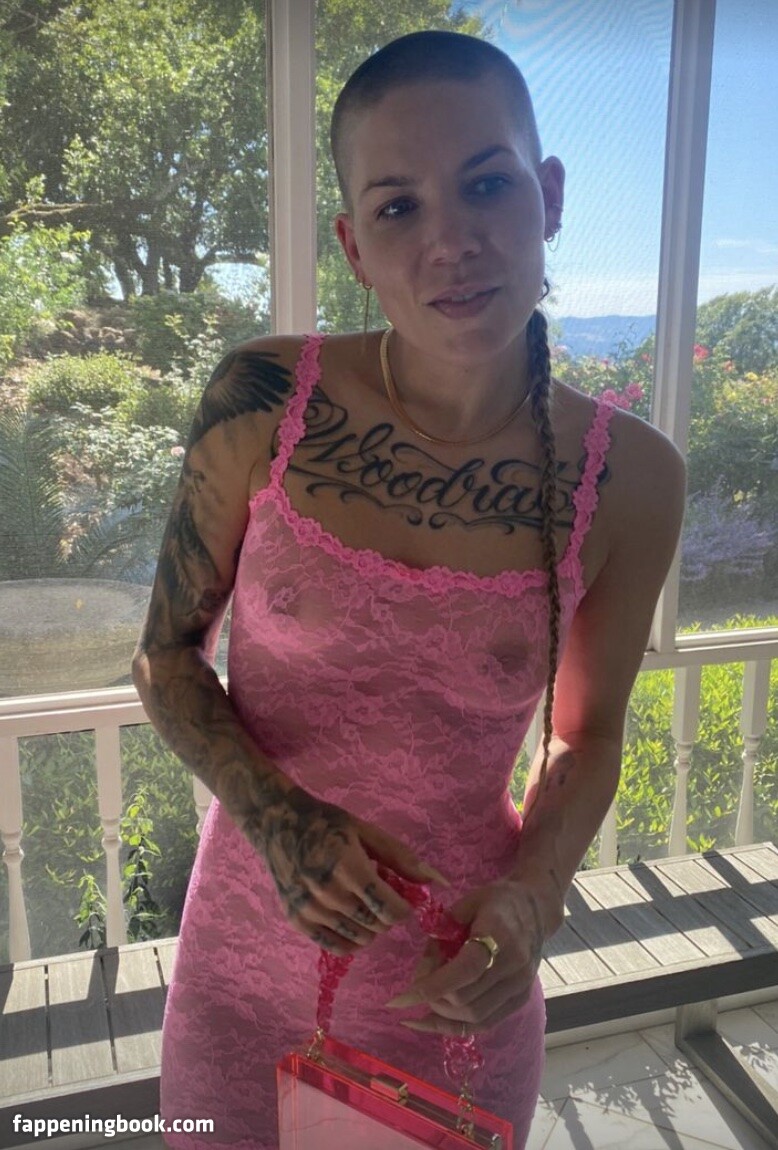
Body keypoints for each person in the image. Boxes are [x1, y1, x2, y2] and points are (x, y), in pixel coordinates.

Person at [132, 29, 686, 1150]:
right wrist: (278, 818)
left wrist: (533, 896)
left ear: (548, 196)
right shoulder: (262, 397)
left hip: (460, 989)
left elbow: (585, 735)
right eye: (397, 207)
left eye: (487, 184)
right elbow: (166, 655)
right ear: (352, 242)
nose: (452, 242)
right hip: (241, 967)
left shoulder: (629, 477)